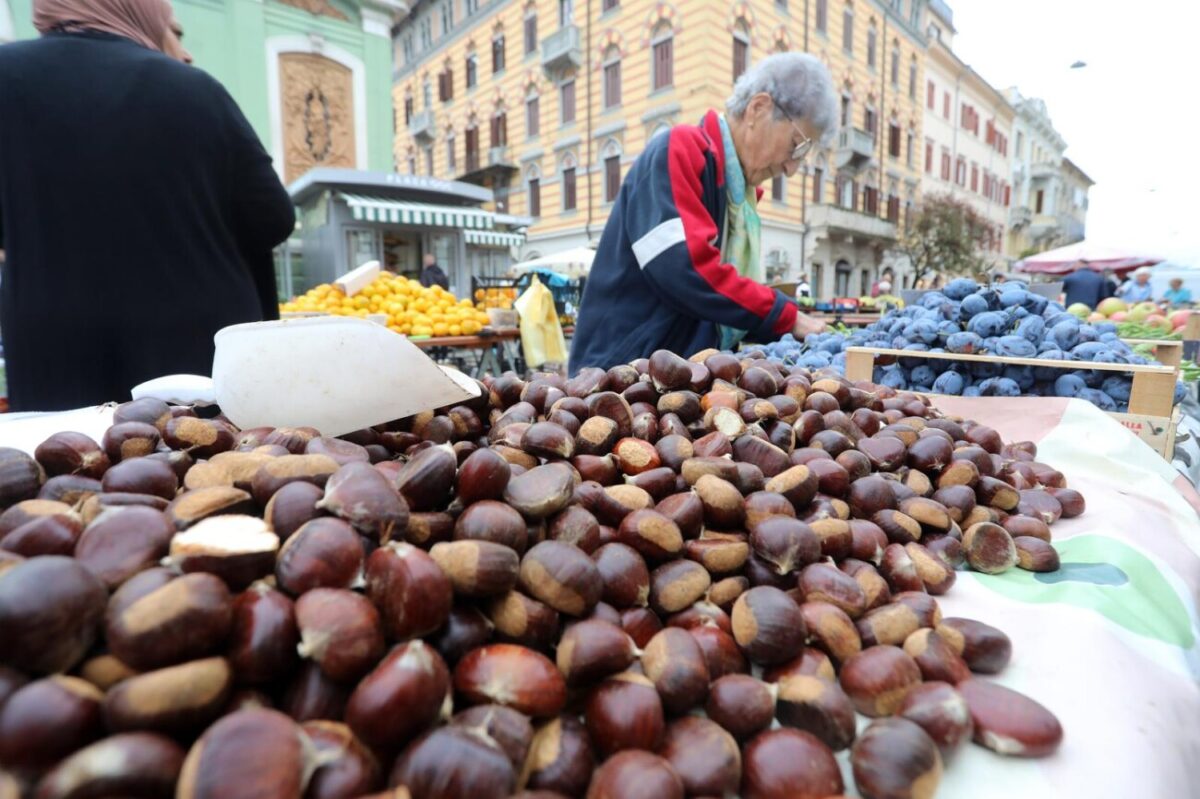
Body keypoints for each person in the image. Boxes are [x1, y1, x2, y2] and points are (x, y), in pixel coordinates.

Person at [0, 0, 295, 412]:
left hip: (55, 349)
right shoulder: (195, 89)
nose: (186, 50)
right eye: (176, 32)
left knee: (67, 466)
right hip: (194, 353)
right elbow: (273, 219)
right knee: (206, 466)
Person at [569, 53, 836, 373]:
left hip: (667, 380)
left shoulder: (736, 197)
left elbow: (719, 304)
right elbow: (684, 269)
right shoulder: (678, 149)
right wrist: (786, 315)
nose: (792, 168)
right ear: (758, 109)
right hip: (617, 377)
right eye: (797, 145)